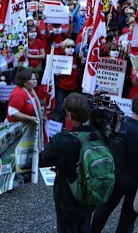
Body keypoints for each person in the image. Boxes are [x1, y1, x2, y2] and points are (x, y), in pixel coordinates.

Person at [90, 94, 138, 233]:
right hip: (137, 184)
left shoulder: (117, 124)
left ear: (132, 107)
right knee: (127, 220)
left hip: (112, 178)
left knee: (102, 211)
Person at [41, 93, 96, 233]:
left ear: (70, 116)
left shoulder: (62, 139)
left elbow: (44, 160)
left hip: (67, 197)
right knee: (84, 226)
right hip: (92, 194)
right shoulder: (100, 135)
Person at [7, 69, 45, 177]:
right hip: (17, 128)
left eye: (35, 79)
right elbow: (12, 113)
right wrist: (30, 118)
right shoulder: (19, 93)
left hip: (26, 127)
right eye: (31, 79)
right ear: (24, 82)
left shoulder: (30, 91)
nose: (34, 82)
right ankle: (13, 175)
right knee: (16, 152)